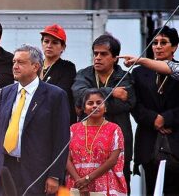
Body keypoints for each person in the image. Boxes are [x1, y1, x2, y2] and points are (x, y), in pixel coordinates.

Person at [0, 45, 70, 195]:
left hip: (37, 171)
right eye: (13, 62)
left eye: (20, 62)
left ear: (35, 66)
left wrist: (54, 175)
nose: (15, 66)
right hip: (6, 168)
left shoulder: (55, 95)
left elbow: (61, 140)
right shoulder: (6, 92)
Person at [71, 33, 135, 193]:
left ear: (115, 58)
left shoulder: (125, 77)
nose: (98, 57)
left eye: (103, 54)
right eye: (95, 53)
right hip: (85, 147)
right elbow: (78, 95)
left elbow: (126, 104)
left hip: (116, 142)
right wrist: (111, 92)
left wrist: (90, 101)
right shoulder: (83, 74)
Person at [130, 26, 179, 195]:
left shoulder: (178, 70)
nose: (158, 46)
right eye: (155, 42)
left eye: (163, 42)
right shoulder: (139, 73)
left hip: (175, 139)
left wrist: (165, 118)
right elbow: (134, 104)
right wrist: (154, 120)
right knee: (152, 190)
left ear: (174, 47)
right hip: (149, 141)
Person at [66, 88, 127, 195]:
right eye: (90, 103)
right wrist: (80, 181)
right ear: (84, 109)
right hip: (77, 184)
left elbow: (112, 160)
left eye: (99, 103)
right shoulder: (73, 129)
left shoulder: (114, 129)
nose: (95, 106)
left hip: (105, 184)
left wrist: (88, 178)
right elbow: (66, 159)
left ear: (105, 108)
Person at [39, 24, 77, 124]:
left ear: (63, 47)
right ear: (41, 43)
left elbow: (59, 93)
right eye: (46, 41)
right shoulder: (36, 66)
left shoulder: (67, 67)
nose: (49, 45)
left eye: (55, 42)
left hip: (58, 122)